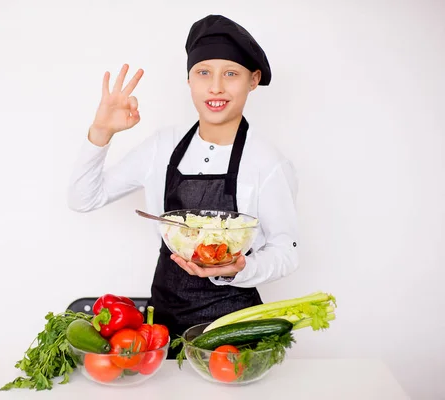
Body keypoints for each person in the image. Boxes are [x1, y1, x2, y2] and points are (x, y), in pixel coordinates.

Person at [67, 14, 299, 358]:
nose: (215, 87)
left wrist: (240, 268)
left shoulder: (267, 161)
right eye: (203, 72)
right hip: (162, 327)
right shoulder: (161, 147)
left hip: (235, 333)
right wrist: (101, 132)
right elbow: (83, 199)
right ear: (189, 80)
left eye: (231, 74)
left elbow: (286, 252)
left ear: (253, 80)